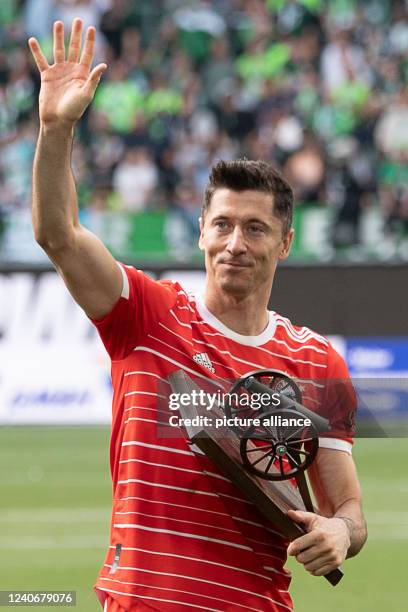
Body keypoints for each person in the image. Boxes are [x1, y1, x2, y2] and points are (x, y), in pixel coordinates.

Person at [28, 19, 367, 612]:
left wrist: (340, 533)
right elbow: (59, 234)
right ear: (202, 234)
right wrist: (56, 129)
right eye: (222, 224)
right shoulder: (146, 313)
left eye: (255, 228)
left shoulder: (316, 361)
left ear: (284, 244)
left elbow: (350, 514)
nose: (235, 243)